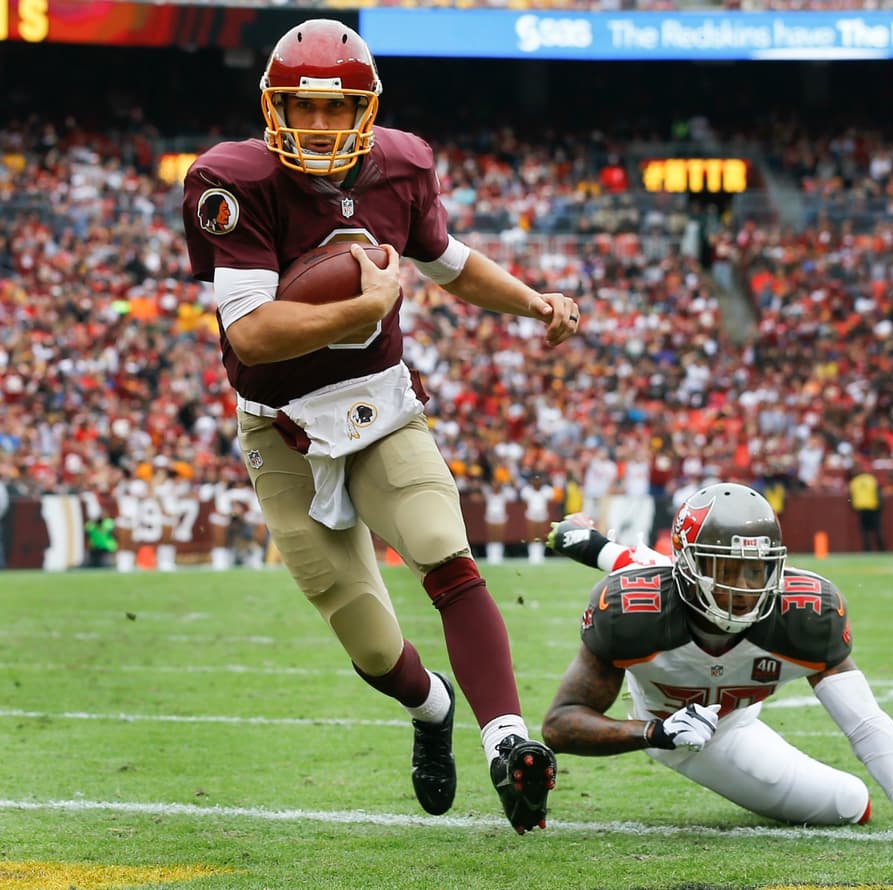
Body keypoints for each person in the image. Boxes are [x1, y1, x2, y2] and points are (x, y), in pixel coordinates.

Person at [180, 19, 575, 832]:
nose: (319, 127)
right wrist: (364, 305)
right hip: (282, 427)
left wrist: (533, 300)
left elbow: (450, 260)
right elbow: (249, 332)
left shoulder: (402, 164)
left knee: (443, 548)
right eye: (302, 108)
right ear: (272, 107)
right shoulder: (234, 180)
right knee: (365, 637)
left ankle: (508, 741)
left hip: (379, 402)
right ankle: (433, 711)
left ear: (366, 111)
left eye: (336, 110)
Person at [542, 483, 893, 848]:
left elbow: (865, 722)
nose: (744, 587)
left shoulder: (804, 613)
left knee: (854, 804)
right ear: (689, 566)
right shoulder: (636, 607)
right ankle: (595, 544)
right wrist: (655, 732)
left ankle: (594, 543)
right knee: (846, 803)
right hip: (679, 733)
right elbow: (560, 726)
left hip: (734, 718)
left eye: (757, 569)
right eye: (725, 570)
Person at [847, 464, 884, 552]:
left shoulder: (854, 482)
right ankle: (881, 548)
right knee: (877, 529)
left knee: (864, 530)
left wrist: (853, 506)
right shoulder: (871, 479)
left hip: (861, 508)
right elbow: (878, 493)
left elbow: (850, 497)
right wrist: (880, 505)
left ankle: (867, 549)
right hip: (873, 506)